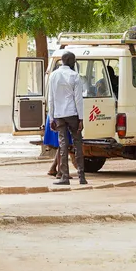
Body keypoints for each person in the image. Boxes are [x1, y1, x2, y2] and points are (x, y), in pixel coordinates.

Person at [48, 51, 86, 185]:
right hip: (73, 114)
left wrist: (51, 117)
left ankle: (64, 176)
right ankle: (82, 177)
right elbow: (78, 99)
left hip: (59, 115)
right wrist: (81, 118)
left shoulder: (53, 75)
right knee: (78, 145)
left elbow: (51, 98)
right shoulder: (75, 76)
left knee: (63, 145)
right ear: (70, 61)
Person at [44, 112, 77, 176]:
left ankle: (53, 168)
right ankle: (60, 172)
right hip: (60, 117)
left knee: (62, 145)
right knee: (63, 145)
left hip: (55, 117)